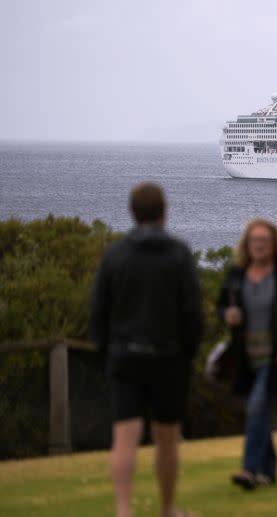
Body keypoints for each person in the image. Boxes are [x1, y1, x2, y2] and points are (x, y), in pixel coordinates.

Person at [90, 182, 203, 517]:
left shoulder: (115, 255)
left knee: (124, 437)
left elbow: (98, 313)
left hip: (124, 356)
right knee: (167, 438)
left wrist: (106, 354)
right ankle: (167, 509)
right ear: (164, 212)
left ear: (132, 212)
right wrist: (188, 353)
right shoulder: (179, 254)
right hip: (169, 358)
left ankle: (123, 511)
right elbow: (192, 313)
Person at [217, 218, 277, 490]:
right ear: (247, 244)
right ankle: (269, 470)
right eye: (254, 240)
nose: (258, 245)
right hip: (245, 356)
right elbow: (222, 304)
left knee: (255, 406)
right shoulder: (236, 275)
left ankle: (249, 470)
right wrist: (227, 315)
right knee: (259, 412)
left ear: (274, 245)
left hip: (273, 355)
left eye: (264, 240)